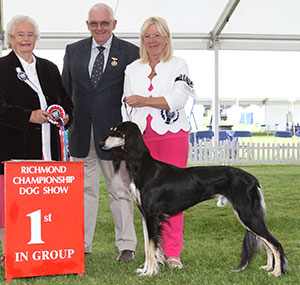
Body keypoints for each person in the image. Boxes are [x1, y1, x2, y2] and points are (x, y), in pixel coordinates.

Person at [62, 3, 138, 261]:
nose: (99, 28)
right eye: (94, 23)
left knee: (119, 189)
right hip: (81, 134)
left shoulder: (130, 52)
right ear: (87, 25)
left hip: (114, 137)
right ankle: (81, 244)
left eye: (104, 23)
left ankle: (126, 245)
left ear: (114, 24)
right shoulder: (73, 51)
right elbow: (65, 92)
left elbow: (133, 95)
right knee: (84, 192)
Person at [0, 15, 74, 267]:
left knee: (45, 204)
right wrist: (27, 116)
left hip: (50, 150)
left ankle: (46, 251)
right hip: (15, 148)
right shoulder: (2, 68)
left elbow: (66, 104)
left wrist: (65, 117)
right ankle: (12, 252)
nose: (25, 39)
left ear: (36, 38)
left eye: (30, 34)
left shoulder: (50, 68)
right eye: (20, 35)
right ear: (10, 39)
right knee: (14, 205)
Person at [121, 17, 195, 269]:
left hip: (173, 134)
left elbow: (178, 99)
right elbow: (126, 105)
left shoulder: (179, 64)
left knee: (175, 194)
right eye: (147, 36)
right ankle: (154, 253)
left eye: (157, 35)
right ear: (142, 40)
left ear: (166, 38)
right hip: (142, 139)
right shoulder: (132, 68)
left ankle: (173, 252)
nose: (152, 41)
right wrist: (125, 138)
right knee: (146, 199)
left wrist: (145, 100)